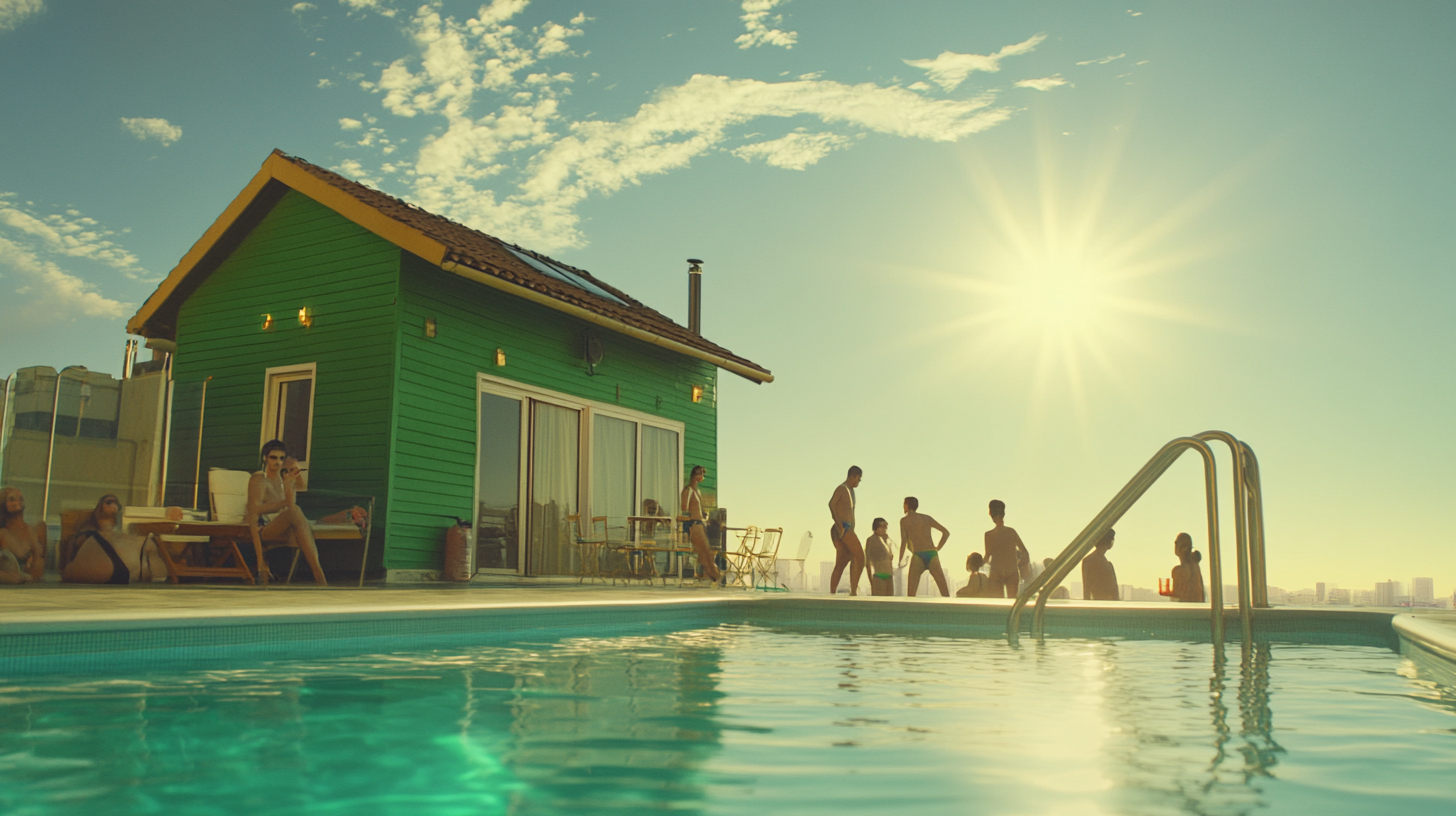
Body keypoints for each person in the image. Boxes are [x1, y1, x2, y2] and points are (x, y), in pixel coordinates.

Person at [248, 440, 328, 585]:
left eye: (281, 458)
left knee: (299, 518)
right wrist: (261, 559)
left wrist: (292, 478)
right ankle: (319, 576)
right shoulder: (259, 479)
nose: (278, 462)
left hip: (286, 524)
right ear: (265, 458)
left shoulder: (283, 478)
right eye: (273, 457)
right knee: (295, 511)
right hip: (265, 528)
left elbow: (297, 494)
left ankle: (318, 574)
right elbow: (254, 510)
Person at [61, 494, 167, 584]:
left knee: (149, 546)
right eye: (109, 502)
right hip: (104, 565)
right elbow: (69, 560)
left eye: (116, 504)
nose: (113, 505)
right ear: (100, 507)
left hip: (126, 568)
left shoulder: (124, 533)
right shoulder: (86, 533)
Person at [899, 496, 950, 597]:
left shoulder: (904, 521)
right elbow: (946, 533)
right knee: (945, 593)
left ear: (906, 505)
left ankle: (911, 612)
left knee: (911, 596)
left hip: (918, 555)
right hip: (932, 554)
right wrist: (938, 548)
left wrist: (900, 559)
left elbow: (904, 541)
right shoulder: (926, 518)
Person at [679, 465, 722, 583]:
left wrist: (703, 515)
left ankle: (712, 576)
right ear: (696, 475)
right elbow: (684, 509)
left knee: (707, 552)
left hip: (700, 523)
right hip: (693, 524)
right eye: (701, 474)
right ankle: (714, 577)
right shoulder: (688, 490)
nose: (703, 477)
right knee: (704, 551)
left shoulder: (697, 491)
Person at [828, 466, 864, 596]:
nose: (858, 482)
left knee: (842, 561)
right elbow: (831, 504)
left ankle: (832, 592)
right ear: (852, 476)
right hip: (844, 528)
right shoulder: (842, 489)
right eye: (858, 479)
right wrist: (839, 525)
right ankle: (853, 591)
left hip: (845, 528)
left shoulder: (850, 490)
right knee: (860, 557)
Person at [983, 499, 1029, 599]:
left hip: (996, 571)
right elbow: (1024, 552)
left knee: (998, 607)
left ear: (991, 513)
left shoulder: (989, 535)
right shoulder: (1011, 532)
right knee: (1012, 603)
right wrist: (1021, 562)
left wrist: (976, 565)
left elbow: (987, 556)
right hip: (1012, 570)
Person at [0, 486, 47, 584]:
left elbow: (39, 566)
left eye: (20, 498)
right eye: (11, 499)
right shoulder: (3, 533)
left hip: (27, 579)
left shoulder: (36, 529)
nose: (17, 501)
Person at [1081, 528, 1119, 600]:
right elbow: (1114, 592)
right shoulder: (1107, 565)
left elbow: (1086, 590)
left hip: (1097, 604)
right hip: (1106, 605)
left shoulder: (1087, 560)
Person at [1170, 532, 1205, 603]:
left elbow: (1177, 596)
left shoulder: (1179, 571)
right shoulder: (1195, 566)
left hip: (1186, 611)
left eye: (1176, 543)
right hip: (1197, 610)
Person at [864, 517, 895, 596]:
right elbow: (867, 561)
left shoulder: (885, 541)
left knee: (890, 604)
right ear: (877, 528)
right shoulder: (871, 540)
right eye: (883, 526)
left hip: (889, 575)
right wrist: (871, 581)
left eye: (886, 526)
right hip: (879, 576)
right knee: (880, 604)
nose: (885, 529)